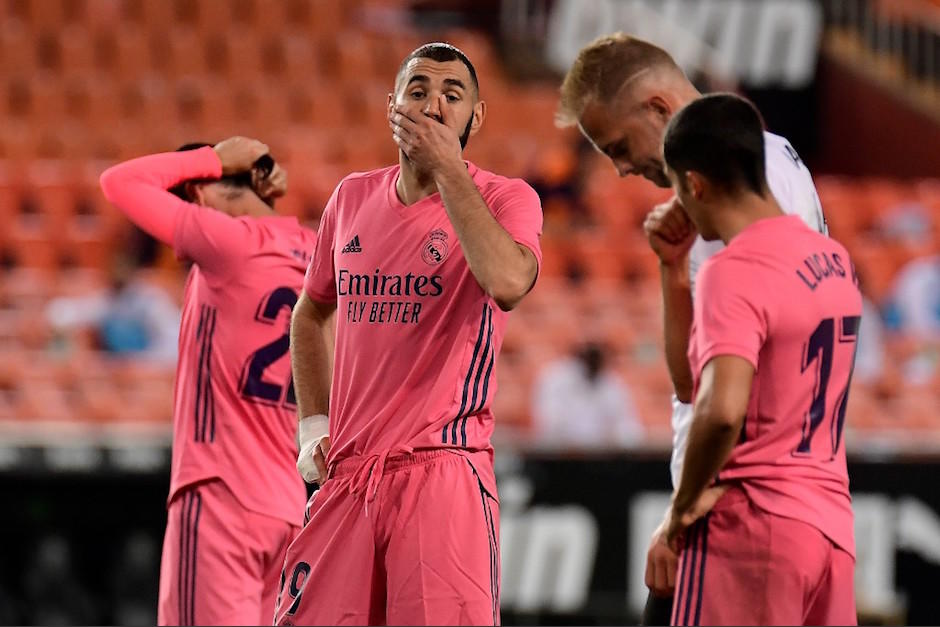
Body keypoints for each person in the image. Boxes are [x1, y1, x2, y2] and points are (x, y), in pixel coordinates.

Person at [555, 33, 829, 623]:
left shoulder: (726, 214)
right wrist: (672, 268)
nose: (623, 169)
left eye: (619, 146)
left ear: (658, 107)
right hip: (811, 502)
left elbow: (718, 396)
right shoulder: (772, 162)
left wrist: (683, 516)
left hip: (739, 512)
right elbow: (706, 372)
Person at [277, 42, 543, 626]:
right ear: (390, 107)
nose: (433, 105)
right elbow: (311, 311)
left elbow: (507, 282)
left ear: (476, 116)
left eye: (453, 95)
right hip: (348, 475)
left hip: (442, 472)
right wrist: (312, 428)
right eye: (417, 90)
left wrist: (447, 167)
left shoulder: (506, 197)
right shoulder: (350, 198)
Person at [659, 93, 861, 625]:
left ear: (694, 184)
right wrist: (673, 270)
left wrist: (680, 512)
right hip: (832, 530)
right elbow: (692, 379)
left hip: (752, 529)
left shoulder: (734, 269)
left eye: (678, 187)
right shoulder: (834, 259)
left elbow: (719, 409)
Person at [99, 137, 316, 626]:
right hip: (286, 507)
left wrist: (212, 160)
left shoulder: (227, 241)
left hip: (221, 494)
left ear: (197, 193)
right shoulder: (319, 253)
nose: (179, 254)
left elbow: (119, 182)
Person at [532, 341, 644, 448]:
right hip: (561, 455)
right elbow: (551, 423)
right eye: (590, 357)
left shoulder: (611, 383)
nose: (593, 362)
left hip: (602, 456)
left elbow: (627, 427)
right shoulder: (556, 379)